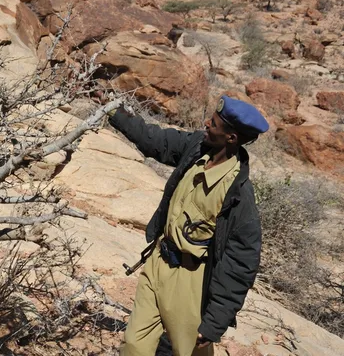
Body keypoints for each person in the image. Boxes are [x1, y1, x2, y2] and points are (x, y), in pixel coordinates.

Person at [106, 95, 269, 356]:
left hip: (190, 282)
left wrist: (216, 320)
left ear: (231, 138)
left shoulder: (238, 195)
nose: (206, 123)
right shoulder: (197, 148)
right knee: (134, 346)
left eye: (213, 123)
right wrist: (116, 114)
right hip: (159, 263)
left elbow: (241, 261)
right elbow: (156, 140)